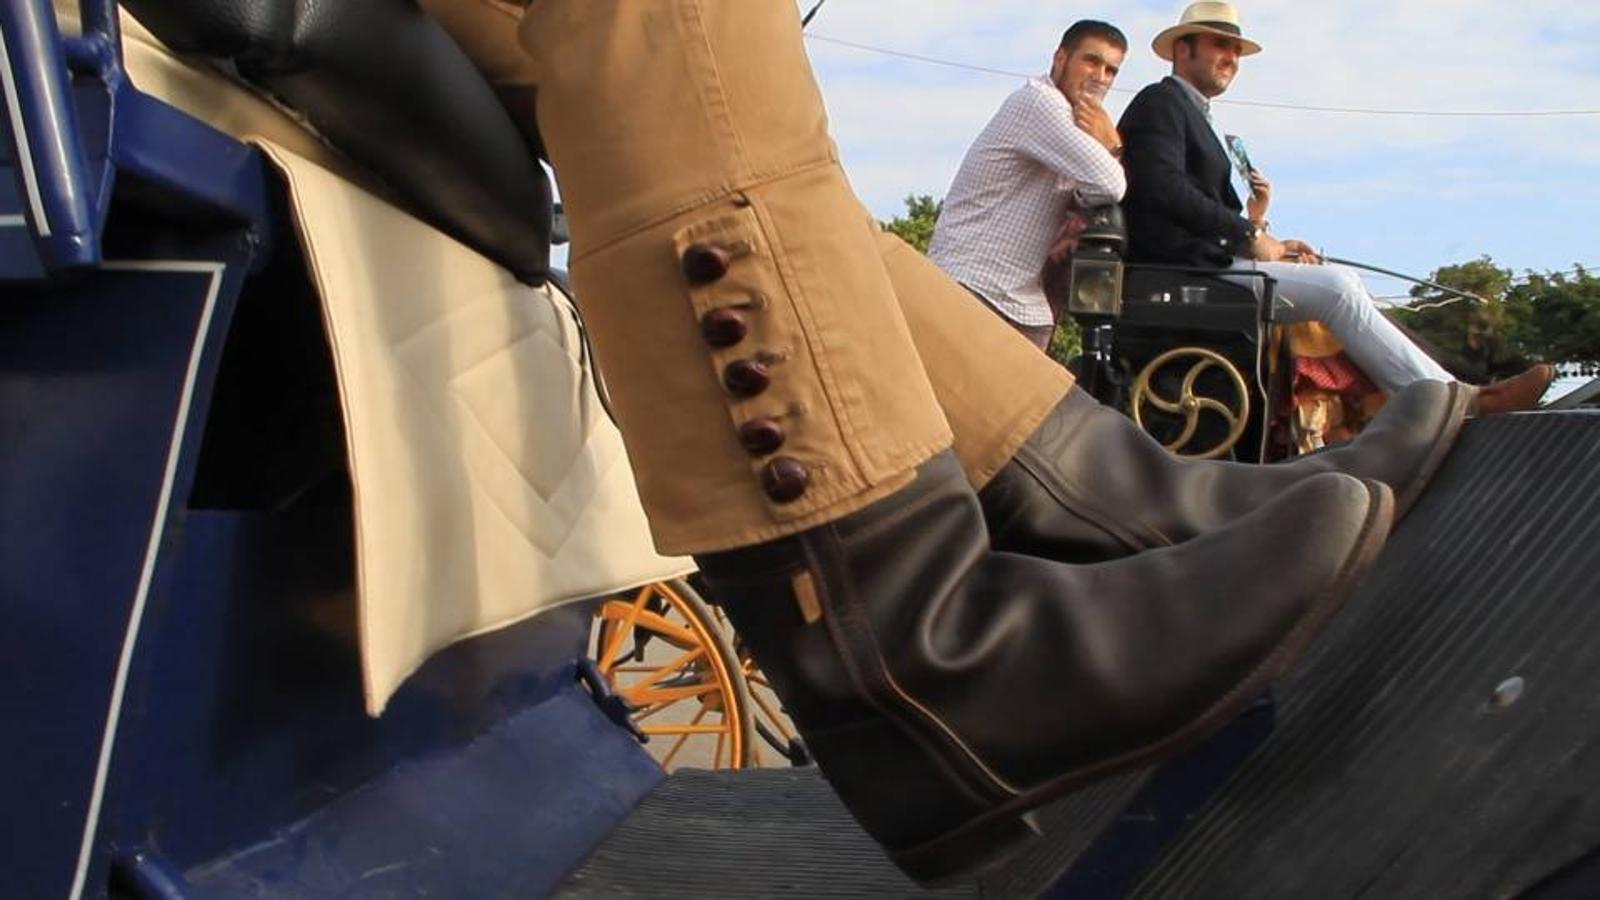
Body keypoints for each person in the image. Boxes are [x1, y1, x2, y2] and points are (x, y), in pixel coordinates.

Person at [418, 0, 1474, 884]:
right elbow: (1115, 188)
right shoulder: (1068, 110)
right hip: (996, 283)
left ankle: (1127, 511)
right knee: (666, 29)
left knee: (753, 142)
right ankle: (925, 662)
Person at [1118, 1, 1554, 415]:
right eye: (1219, 45)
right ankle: (1450, 401)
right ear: (1182, 48)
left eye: (1236, 49)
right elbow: (1162, 188)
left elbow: (1194, 205)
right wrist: (1249, 236)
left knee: (1345, 288)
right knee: (1340, 289)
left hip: (1210, 263)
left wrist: (1269, 237)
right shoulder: (1160, 103)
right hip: (1183, 274)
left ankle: (1451, 389)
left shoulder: (1193, 113)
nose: (1231, 57)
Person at [926, 20, 1127, 350]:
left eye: (1111, 70)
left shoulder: (1073, 124)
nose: (1100, 77)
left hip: (1021, 302)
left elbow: (1089, 193)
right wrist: (1112, 144)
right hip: (974, 287)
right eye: (1091, 61)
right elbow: (1109, 185)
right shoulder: (1040, 102)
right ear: (1060, 59)